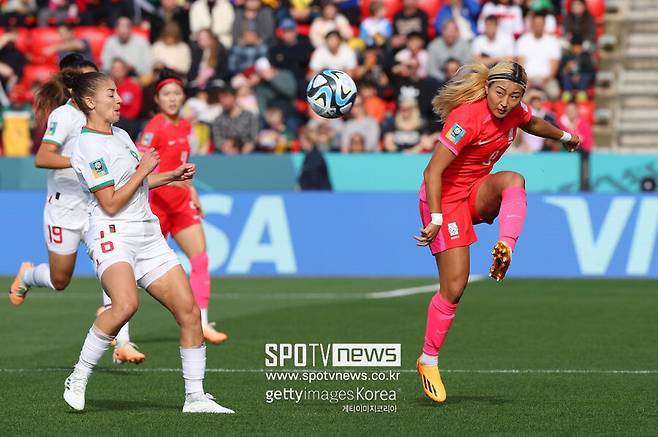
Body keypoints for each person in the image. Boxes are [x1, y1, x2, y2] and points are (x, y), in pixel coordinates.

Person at [64, 69, 233, 414]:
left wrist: (169, 176)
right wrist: (143, 170)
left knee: (189, 312)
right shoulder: (86, 145)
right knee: (125, 305)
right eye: (110, 94)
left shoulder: (122, 136)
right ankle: (78, 377)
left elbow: (137, 183)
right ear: (89, 101)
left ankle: (195, 397)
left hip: (147, 233)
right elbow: (110, 201)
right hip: (112, 234)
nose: (119, 99)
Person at [413, 61, 581, 404]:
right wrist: (437, 218)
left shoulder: (515, 112)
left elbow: (531, 122)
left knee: (514, 179)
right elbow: (433, 172)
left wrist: (565, 137)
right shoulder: (466, 118)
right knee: (455, 287)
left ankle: (505, 245)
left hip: (475, 192)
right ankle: (428, 359)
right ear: (488, 88)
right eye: (500, 93)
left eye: (514, 95)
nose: (505, 102)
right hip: (443, 201)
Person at [9, 54, 146, 365]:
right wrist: (80, 160)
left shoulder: (106, 120)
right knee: (61, 280)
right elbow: (43, 158)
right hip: (64, 208)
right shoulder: (64, 116)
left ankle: (122, 342)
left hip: (96, 206)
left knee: (115, 266)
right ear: (75, 89)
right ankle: (29, 275)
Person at [137, 71, 228, 344]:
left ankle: (201, 322)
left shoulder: (186, 127)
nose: (172, 98)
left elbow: (184, 166)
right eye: (166, 94)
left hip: (181, 204)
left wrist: (192, 190)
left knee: (200, 259)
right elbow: (138, 162)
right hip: (157, 205)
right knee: (137, 267)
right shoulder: (155, 126)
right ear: (157, 99)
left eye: (176, 93)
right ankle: (119, 330)